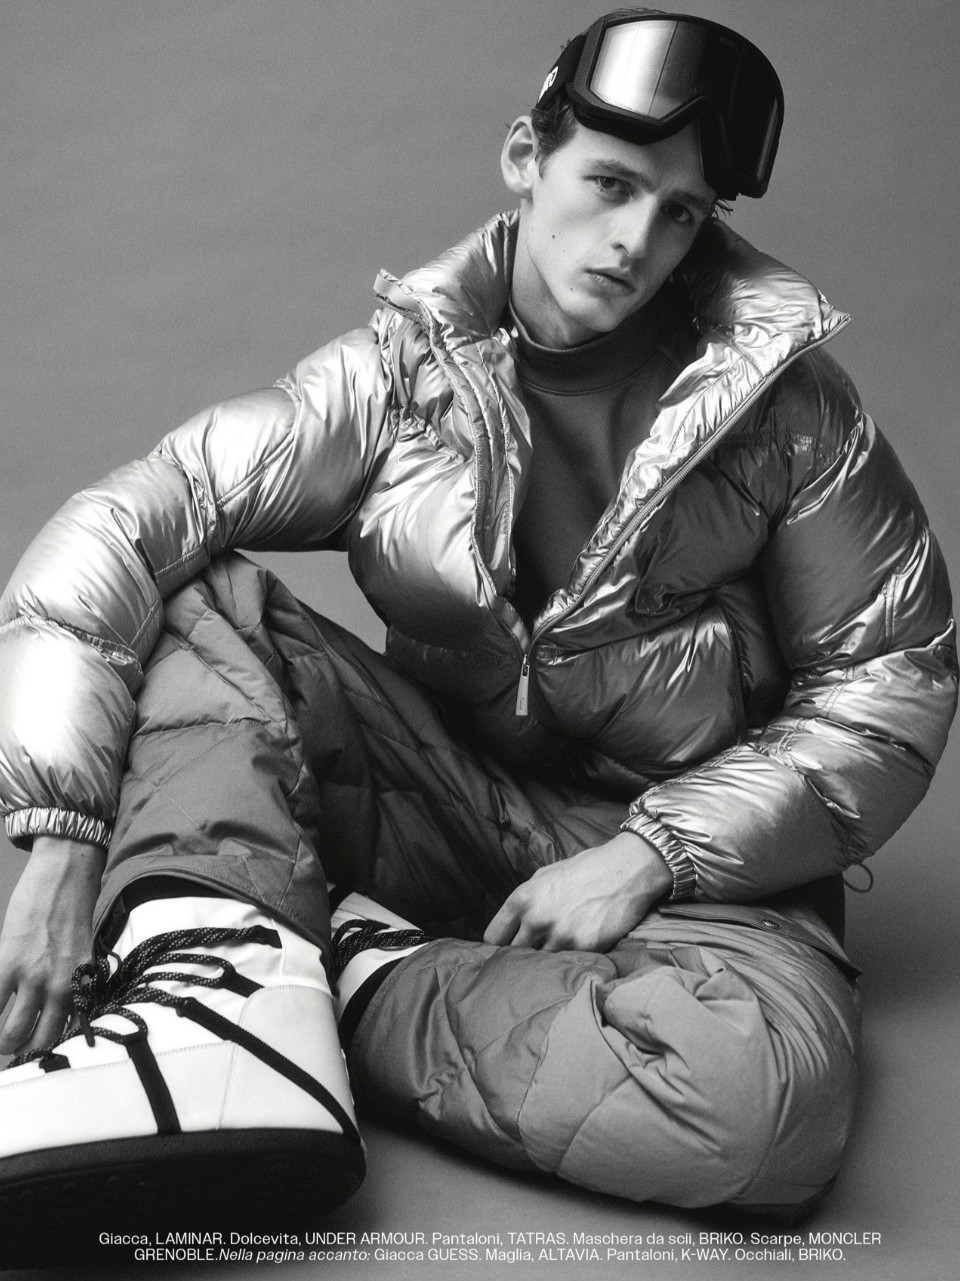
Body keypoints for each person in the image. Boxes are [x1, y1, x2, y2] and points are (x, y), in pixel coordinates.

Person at [0, 7, 955, 1261]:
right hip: (443, 805)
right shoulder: (400, 377)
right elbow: (125, 524)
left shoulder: (789, 410)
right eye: (609, 184)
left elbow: (890, 682)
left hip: (700, 869)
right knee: (198, 597)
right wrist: (60, 835)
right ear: (525, 157)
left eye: (681, 212)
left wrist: (652, 854)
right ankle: (214, 1001)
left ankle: (326, 973)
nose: (636, 240)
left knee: (756, 1113)